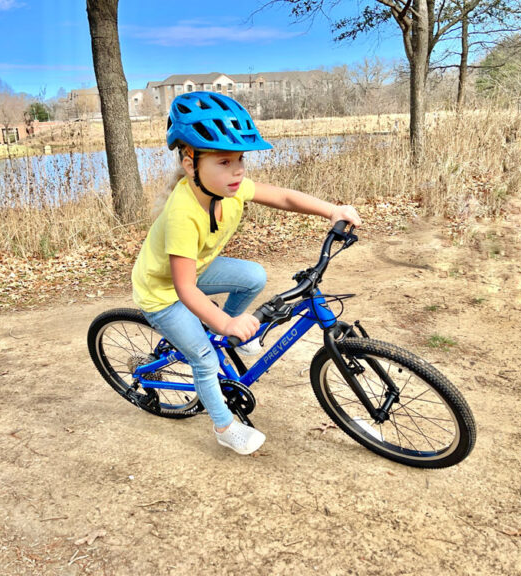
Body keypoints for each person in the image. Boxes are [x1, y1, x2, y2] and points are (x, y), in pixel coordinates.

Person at [131, 91, 361, 455]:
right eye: (223, 161)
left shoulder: (229, 190)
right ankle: (224, 426)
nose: (237, 170)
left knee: (252, 275)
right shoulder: (182, 213)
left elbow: (283, 197)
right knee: (205, 358)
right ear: (190, 163)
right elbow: (184, 287)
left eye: (240, 159)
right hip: (163, 292)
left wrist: (331, 210)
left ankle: (233, 333)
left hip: (197, 268)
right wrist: (224, 323)